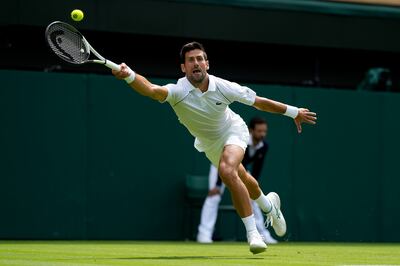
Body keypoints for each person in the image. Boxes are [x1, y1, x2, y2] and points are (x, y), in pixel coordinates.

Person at [112, 41, 317, 254]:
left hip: (233, 131)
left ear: (207, 64)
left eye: (200, 59)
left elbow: (259, 102)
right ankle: (270, 207)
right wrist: (129, 75)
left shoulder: (223, 86)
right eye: (191, 60)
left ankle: (253, 233)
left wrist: (294, 112)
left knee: (227, 171)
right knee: (244, 179)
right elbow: (152, 90)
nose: (196, 63)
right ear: (184, 67)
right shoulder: (177, 91)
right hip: (210, 144)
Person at [197, 117, 277, 244]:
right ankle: (204, 234)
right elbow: (227, 164)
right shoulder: (243, 140)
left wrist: (253, 188)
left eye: (264, 131)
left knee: (254, 199)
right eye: (259, 131)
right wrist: (217, 185)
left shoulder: (264, 146)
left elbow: (256, 169)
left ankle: (262, 234)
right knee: (214, 196)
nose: (262, 134)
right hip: (220, 165)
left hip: (240, 169)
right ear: (251, 130)